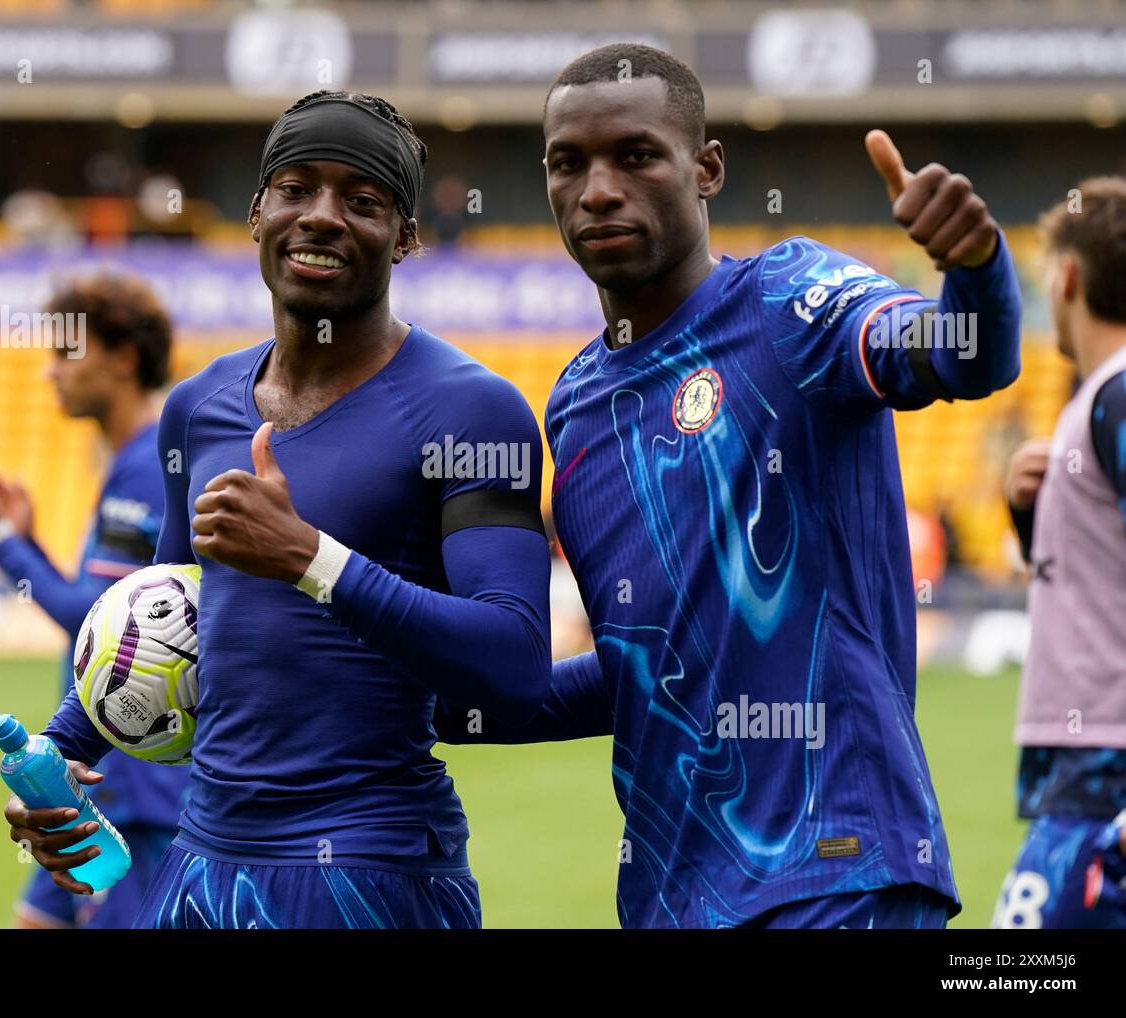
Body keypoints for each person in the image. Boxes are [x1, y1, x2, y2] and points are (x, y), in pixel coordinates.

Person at [438, 44, 1022, 928]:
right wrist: (438, 703)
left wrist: (975, 270)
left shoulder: (789, 300)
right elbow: (646, 669)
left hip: (836, 874)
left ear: (706, 168)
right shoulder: (575, 408)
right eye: (569, 164)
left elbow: (958, 355)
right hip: (675, 898)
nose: (597, 190)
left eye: (635, 156)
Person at [2, 91, 552, 929]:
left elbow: (513, 664)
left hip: (371, 869)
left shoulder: (472, 411)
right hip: (199, 866)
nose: (322, 217)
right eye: (296, 188)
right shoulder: (199, 407)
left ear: (406, 236)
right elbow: (161, 611)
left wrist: (311, 560)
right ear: (258, 213)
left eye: (363, 201)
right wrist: (67, 749)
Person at [0, 272, 190, 928]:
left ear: (123, 359)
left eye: (67, 353)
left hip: (130, 781)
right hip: (94, 779)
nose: (50, 372)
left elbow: (104, 632)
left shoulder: (145, 468)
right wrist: (22, 541)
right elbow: (101, 609)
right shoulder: (131, 463)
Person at [997, 176, 1126, 929]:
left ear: (1068, 277)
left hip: (1106, 775)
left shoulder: (1116, 396)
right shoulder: (1097, 401)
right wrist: (1029, 518)